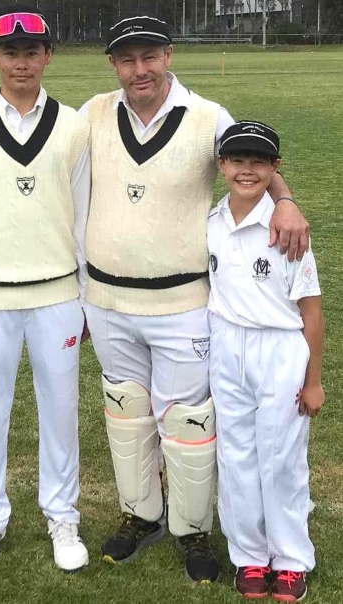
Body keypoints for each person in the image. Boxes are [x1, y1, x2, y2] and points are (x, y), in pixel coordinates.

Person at [80, 16, 310, 583]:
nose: (141, 70)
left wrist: (286, 202)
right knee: (128, 414)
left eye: (150, 56)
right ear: (114, 65)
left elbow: (251, 159)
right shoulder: (91, 114)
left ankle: (191, 529)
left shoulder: (208, 117)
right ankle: (142, 516)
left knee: (185, 421)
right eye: (128, 60)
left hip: (182, 301)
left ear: (168, 55)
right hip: (106, 299)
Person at [0, 5, 91, 573]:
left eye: (32, 51)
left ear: (48, 56)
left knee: (60, 411)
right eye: (11, 52)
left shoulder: (75, 125)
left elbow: (80, 219)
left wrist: (83, 295)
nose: (21, 62)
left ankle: (62, 514)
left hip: (57, 294)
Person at [207, 121, 324, 600]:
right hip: (226, 346)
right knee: (235, 455)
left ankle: (291, 557)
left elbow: (311, 311)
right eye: (237, 160)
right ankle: (250, 555)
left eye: (259, 161)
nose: (247, 170)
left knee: (279, 458)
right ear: (222, 166)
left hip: (278, 347)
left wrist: (313, 381)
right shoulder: (213, 221)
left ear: (275, 168)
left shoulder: (287, 229)